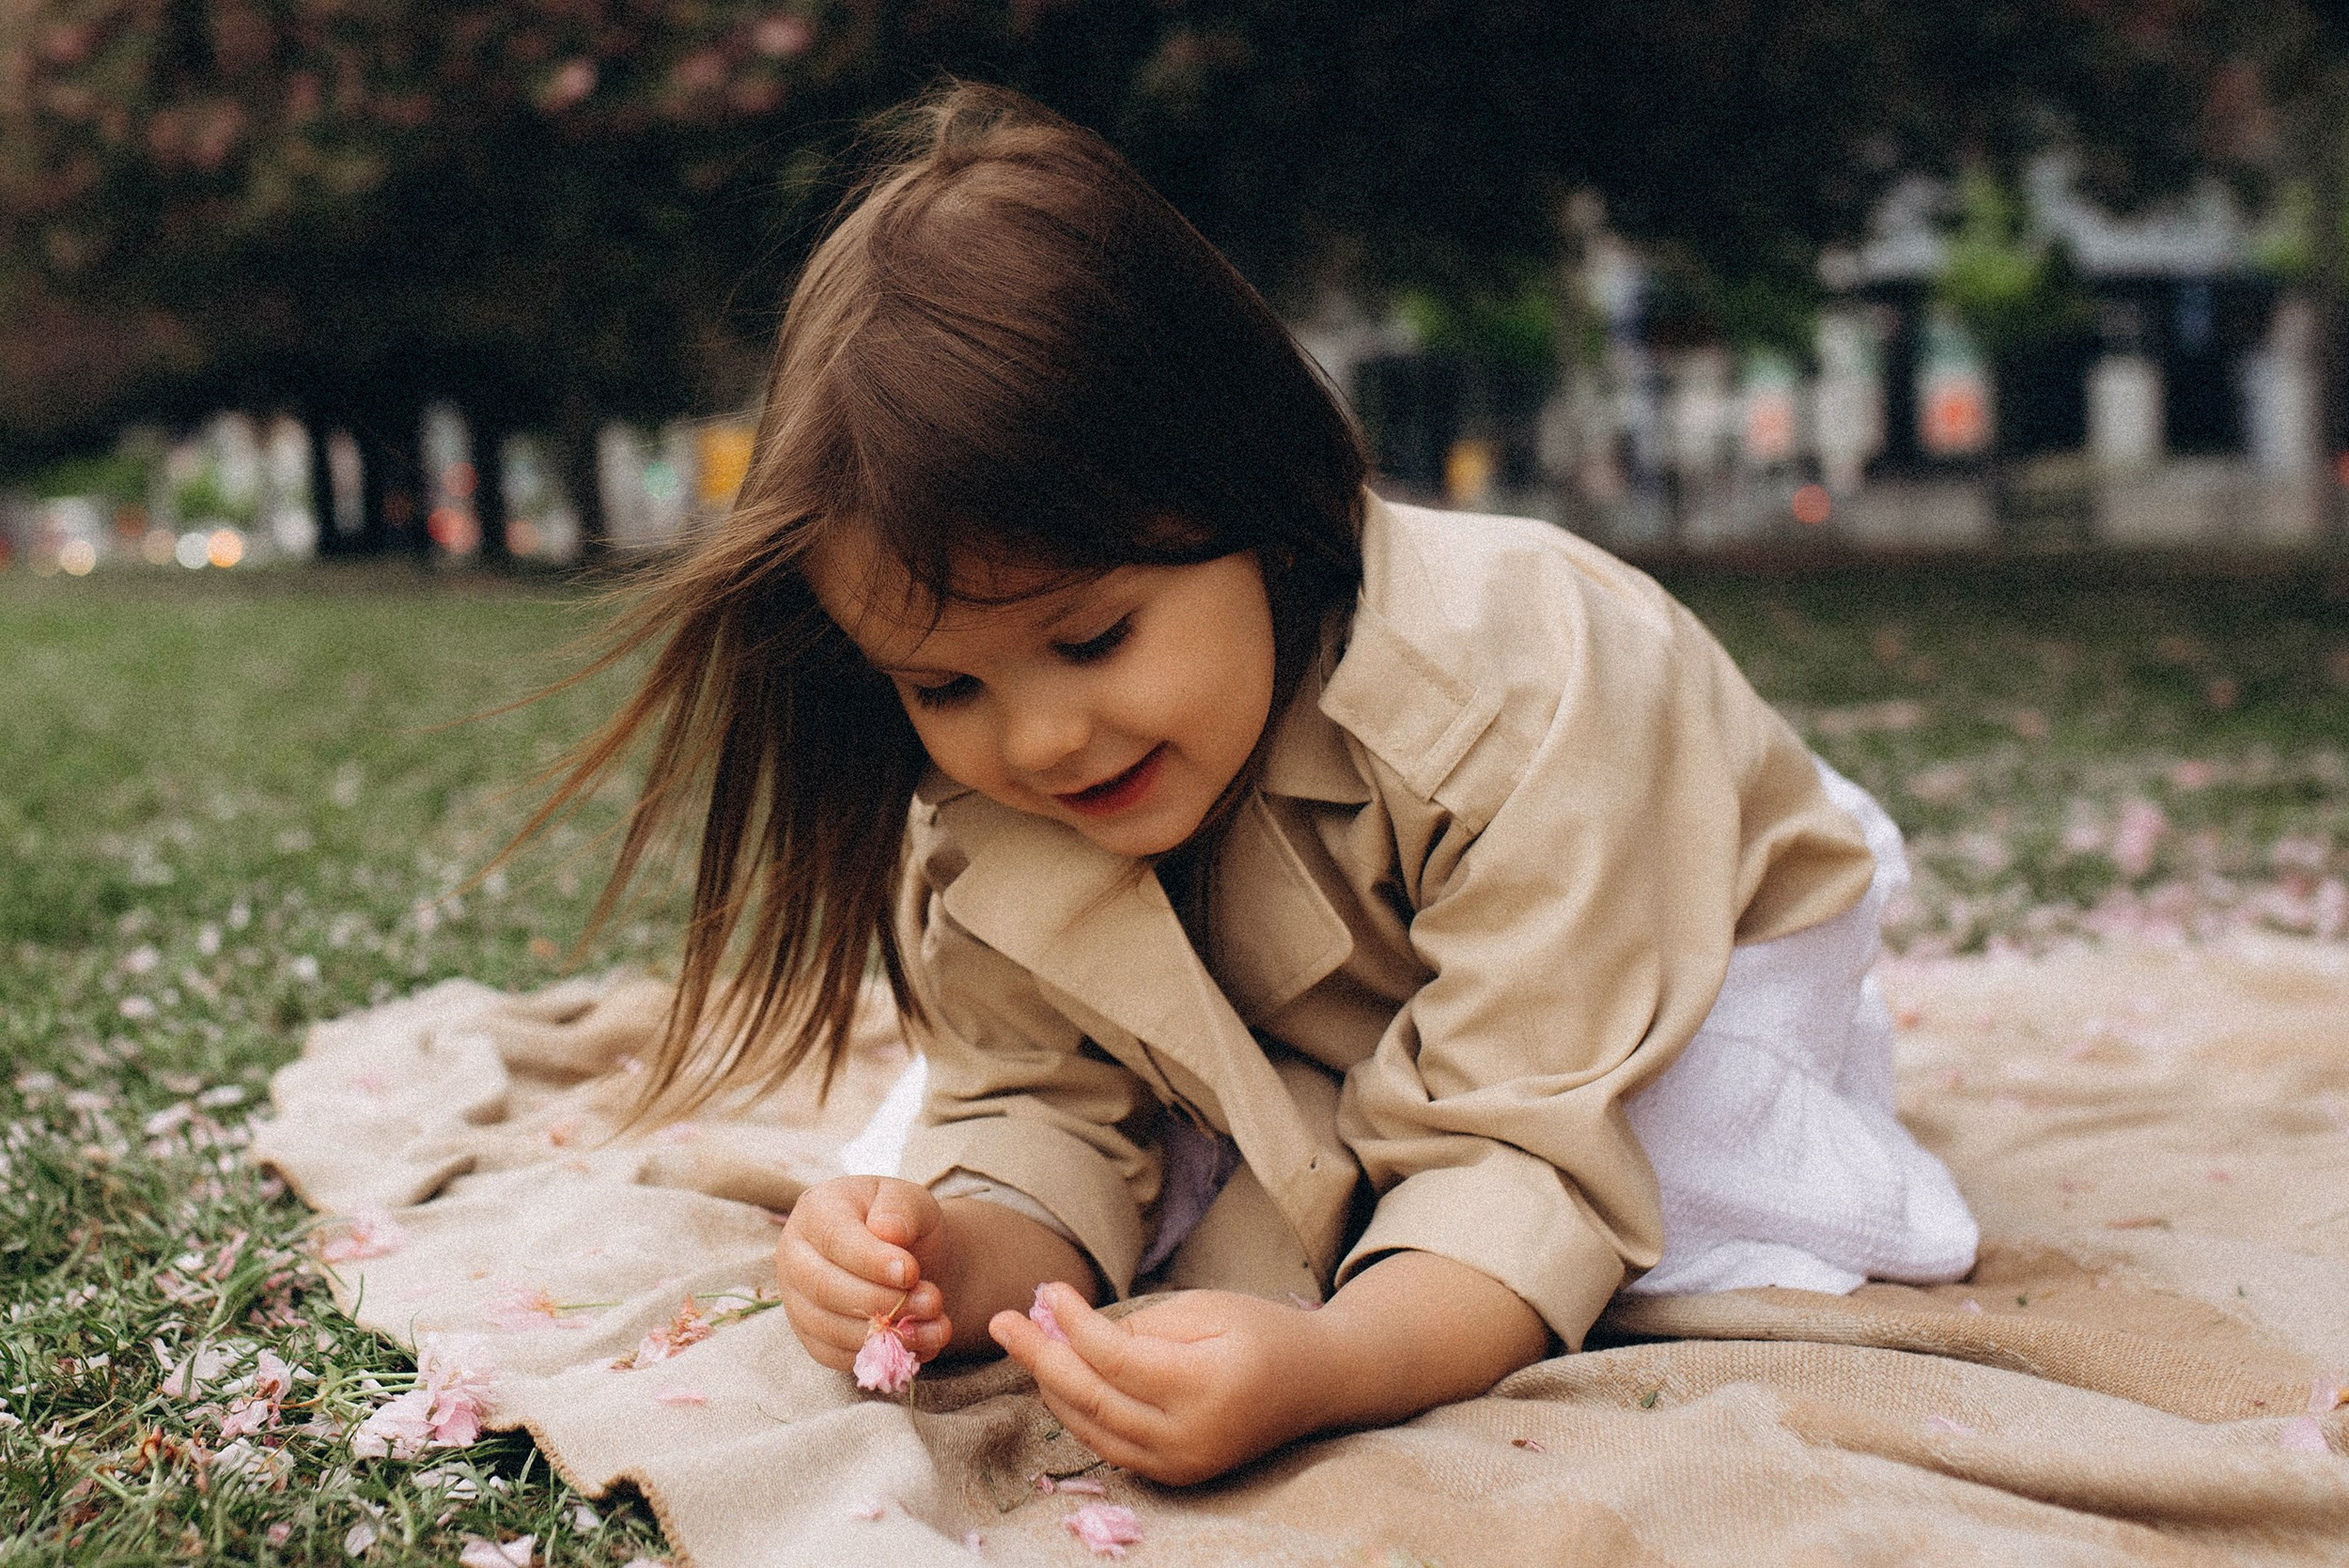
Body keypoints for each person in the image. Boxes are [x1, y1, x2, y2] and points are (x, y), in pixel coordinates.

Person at [540, 81, 1977, 1487]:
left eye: (1092, 636)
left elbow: (1528, 1135)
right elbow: (1041, 1105)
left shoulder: (1519, 683)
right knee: (960, 1158)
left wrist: (1334, 1358)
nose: (1038, 740)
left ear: (1251, 492)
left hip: (1659, 955)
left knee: (1666, 1193)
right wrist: (937, 1261)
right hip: (1340, 1013)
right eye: (944, 685)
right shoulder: (997, 804)